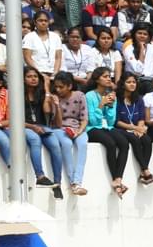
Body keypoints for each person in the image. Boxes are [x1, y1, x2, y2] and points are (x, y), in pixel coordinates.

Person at [85, 66, 130, 197]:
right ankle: (115, 179)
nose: (108, 79)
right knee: (110, 144)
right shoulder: (89, 95)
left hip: (107, 127)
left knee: (124, 143)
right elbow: (93, 121)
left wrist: (110, 106)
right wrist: (101, 105)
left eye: (109, 76)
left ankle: (118, 179)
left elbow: (111, 122)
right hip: (92, 128)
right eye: (105, 76)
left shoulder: (111, 95)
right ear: (97, 79)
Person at [51, 70, 88, 193]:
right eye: (56, 87)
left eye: (61, 87)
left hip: (78, 127)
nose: (58, 90)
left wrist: (79, 131)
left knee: (82, 144)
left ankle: (77, 181)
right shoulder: (55, 98)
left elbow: (84, 118)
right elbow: (58, 123)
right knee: (66, 144)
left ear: (70, 86)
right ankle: (73, 182)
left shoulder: (80, 95)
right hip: (60, 128)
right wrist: (57, 105)